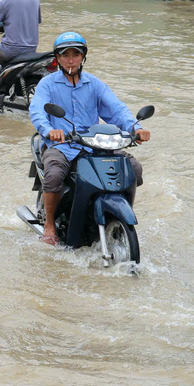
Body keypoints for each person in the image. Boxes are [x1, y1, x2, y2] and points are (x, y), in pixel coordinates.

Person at [28, 31, 150, 246]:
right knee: (55, 175)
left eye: (76, 54)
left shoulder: (94, 84)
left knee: (133, 168)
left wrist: (136, 128)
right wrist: (49, 130)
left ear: (83, 57)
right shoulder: (47, 84)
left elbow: (117, 109)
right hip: (62, 144)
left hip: (95, 144)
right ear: (57, 58)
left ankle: (120, 212)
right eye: (65, 55)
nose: (71, 60)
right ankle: (49, 224)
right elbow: (37, 110)